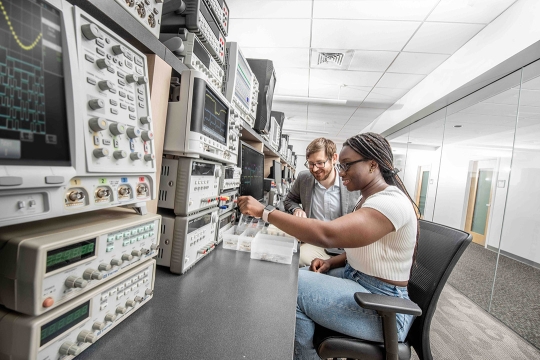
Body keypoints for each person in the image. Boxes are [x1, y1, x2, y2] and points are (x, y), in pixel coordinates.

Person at [237, 132, 419, 360]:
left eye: (347, 165)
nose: (341, 171)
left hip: (383, 308)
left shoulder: (389, 203)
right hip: (359, 280)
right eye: (340, 165)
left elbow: (328, 234)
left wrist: (264, 212)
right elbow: (364, 249)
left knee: (289, 287)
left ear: (373, 165)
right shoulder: (369, 199)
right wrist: (330, 261)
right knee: (291, 275)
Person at [283, 137, 360, 267]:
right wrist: (297, 209)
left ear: (334, 158)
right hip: (315, 244)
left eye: (320, 163)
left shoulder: (352, 183)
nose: (314, 169)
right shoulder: (304, 179)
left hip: (343, 248)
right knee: (293, 261)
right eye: (311, 164)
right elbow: (289, 200)